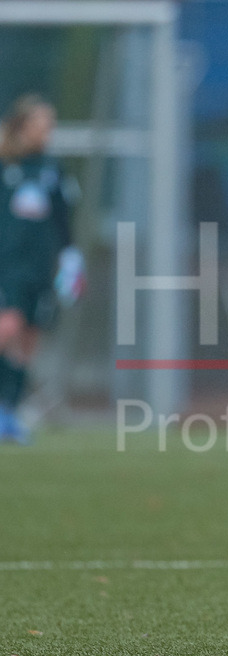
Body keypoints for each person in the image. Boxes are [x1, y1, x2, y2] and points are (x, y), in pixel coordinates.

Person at [0, 94, 83, 443]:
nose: (48, 131)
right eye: (41, 123)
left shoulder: (52, 170)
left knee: (29, 340)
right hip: (7, 266)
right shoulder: (6, 168)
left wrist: (70, 261)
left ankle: (9, 411)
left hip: (39, 269)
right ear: (22, 126)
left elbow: (63, 221)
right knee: (8, 327)